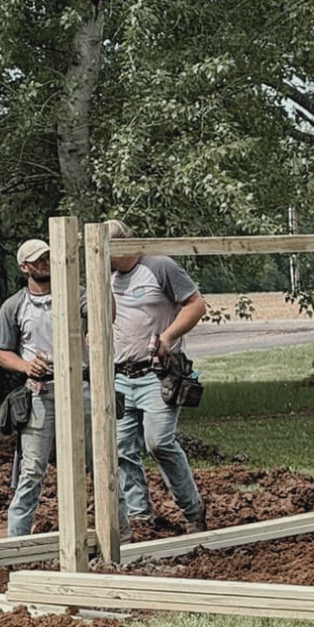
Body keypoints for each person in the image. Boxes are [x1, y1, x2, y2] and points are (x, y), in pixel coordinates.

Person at [105, 220, 207, 534]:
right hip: (122, 375)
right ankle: (140, 517)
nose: (106, 257)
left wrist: (167, 337)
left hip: (157, 374)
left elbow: (196, 305)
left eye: (109, 250)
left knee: (159, 441)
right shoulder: (107, 277)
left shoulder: (160, 266)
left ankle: (193, 511)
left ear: (125, 244)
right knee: (122, 449)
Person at [0, 239, 61, 538]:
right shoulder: (14, 306)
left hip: (83, 391)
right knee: (31, 470)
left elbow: (105, 315)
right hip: (40, 393)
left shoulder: (74, 296)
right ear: (24, 268)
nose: (44, 263)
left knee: (98, 465)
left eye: (48, 257)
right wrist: (25, 366)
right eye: (38, 260)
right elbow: (1, 352)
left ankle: (118, 535)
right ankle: (16, 541)